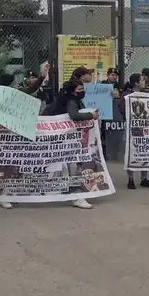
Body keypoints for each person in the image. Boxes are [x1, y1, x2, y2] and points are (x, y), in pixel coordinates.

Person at [41, 78, 99, 209]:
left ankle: (67, 192)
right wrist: (90, 115)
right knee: (73, 168)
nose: (82, 91)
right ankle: (76, 196)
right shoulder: (72, 101)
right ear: (73, 91)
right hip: (68, 142)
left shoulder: (64, 100)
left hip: (63, 141)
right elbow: (74, 115)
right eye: (80, 89)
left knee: (64, 168)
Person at [122, 73, 149, 189]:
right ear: (136, 83)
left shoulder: (145, 95)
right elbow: (122, 109)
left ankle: (144, 178)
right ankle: (130, 179)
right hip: (131, 127)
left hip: (143, 127)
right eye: (142, 80)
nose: (144, 81)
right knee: (131, 152)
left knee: (144, 151)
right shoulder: (127, 95)